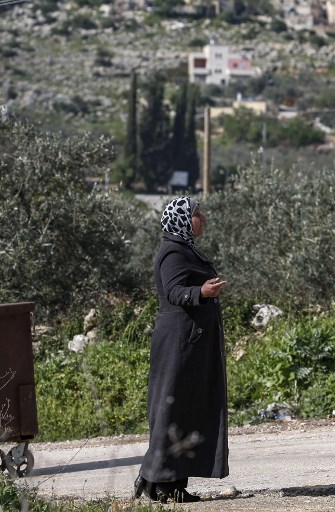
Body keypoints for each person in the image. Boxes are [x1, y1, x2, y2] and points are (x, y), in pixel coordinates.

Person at [134, 196, 229, 503]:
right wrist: (201, 292)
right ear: (182, 219)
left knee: (184, 409)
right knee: (171, 409)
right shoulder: (172, 251)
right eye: (198, 214)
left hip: (190, 344)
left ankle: (166, 483)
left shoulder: (185, 249)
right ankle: (158, 480)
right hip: (178, 343)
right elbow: (174, 292)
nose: (203, 219)